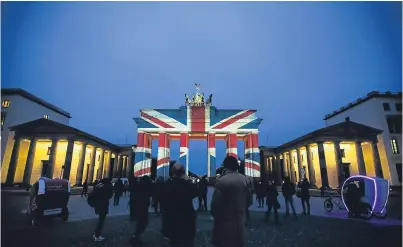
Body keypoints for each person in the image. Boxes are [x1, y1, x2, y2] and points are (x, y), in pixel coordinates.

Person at [211, 156, 251, 247]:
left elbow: (215, 204)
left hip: (224, 221)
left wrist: (215, 214)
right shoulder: (245, 180)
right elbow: (249, 200)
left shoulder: (221, 181)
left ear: (225, 166)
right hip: (240, 220)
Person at [161, 163, 199, 247]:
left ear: (172, 172)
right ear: (183, 172)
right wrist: (187, 179)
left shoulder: (167, 185)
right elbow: (197, 191)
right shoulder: (188, 185)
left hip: (170, 223)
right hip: (187, 223)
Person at [130, 175, 153, 246]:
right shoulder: (144, 187)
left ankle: (136, 237)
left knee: (140, 223)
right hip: (142, 208)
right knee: (143, 222)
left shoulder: (138, 186)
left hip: (137, 208)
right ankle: (135, 237)